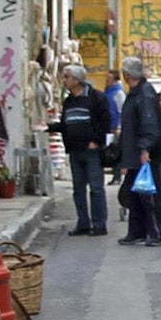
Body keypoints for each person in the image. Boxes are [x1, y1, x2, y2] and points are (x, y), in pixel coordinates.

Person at [47, 64, 111, 236]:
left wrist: (96, 141)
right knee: (78, 189)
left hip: (91, 150)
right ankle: (83, 223)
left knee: (96, 188)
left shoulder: (96, 98)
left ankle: (99, 224)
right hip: (74, 150)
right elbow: (66, 123)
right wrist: (49, 126)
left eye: (66, 77)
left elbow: (105, 122)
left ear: (76, 80)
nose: (64, 80)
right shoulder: (69, 101)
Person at [114, 57, 161, 246]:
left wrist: (146, 148)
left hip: (143, 154)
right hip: (134, 152)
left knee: (148, 195)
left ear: (127, 75)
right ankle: (137, 232)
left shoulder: (144, 95)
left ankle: (154, 233)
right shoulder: (136, 93)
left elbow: (149, 124)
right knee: (135, 195)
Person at [104, 70, 126, 184]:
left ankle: (117, 176)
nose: (107, 80)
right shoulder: (108, 92)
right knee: (109, 151)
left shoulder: (118, 93)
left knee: (115, 152)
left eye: (109, 78)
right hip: (108, 126)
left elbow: (121, 111)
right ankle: (115, 175)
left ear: (115, 79)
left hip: (115, 128)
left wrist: (119, 126)